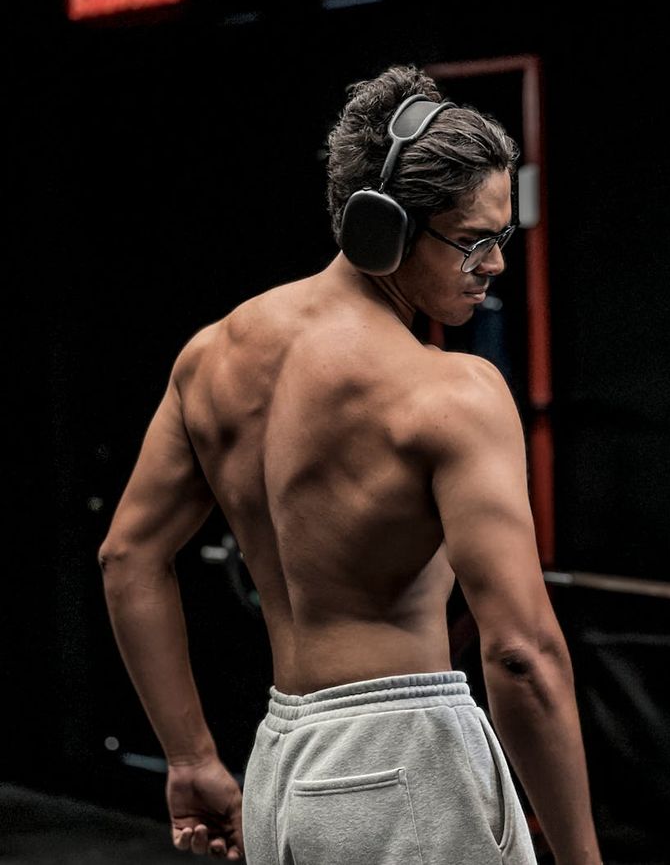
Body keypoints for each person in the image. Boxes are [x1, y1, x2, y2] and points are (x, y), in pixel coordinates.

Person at [98, 63, 603, 865]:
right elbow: (521, 652)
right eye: (473, 241)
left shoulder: (211, 359)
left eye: (502, 239)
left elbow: (127, 557)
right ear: (383, 228)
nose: (496, 264)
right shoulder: (453, 392)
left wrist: (192, 758)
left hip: (282, 767)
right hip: (411, 760)